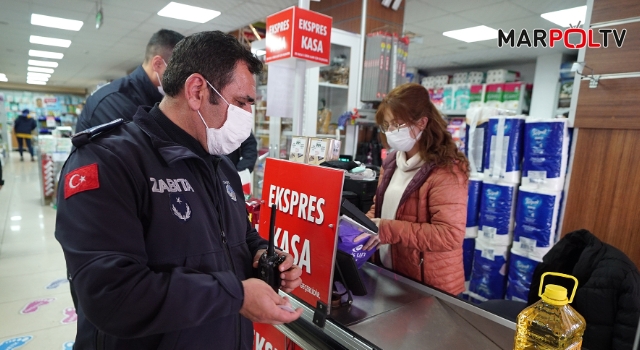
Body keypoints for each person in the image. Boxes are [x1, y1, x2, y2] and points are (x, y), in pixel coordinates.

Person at [55, 31, 303, 349]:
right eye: (241, 102)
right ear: (197, 90)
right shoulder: (108, 161)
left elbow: (238, 234)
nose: (247, 116)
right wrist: (236, 295)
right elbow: (111, 294)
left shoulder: (221, 163)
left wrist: (264, 255)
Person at [359, 83, 470, 295]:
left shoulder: (447, 170)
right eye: (387, 125)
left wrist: (386, 229)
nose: (391, 132)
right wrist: (361, 225)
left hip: (429, 286)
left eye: (397, 124)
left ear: (422, 122)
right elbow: (380, 209)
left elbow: (449, 235)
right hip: (391, 273)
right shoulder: (392, 162)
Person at [75, 29, 184, 132]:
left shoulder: (156, 99)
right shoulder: (114, 101)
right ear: (158, 64)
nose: (182, 79)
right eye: (179, 71)